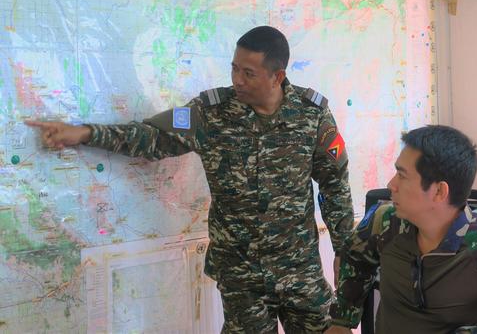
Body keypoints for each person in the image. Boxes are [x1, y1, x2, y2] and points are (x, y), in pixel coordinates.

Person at [26, 26, 354, 333]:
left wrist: (344, 250)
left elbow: (334, 186)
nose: (237, 80)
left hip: (301, 273)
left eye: (248, 73)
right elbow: (151, 137)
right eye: (234, 68)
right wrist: (83, 133)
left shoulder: (313, 116)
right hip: (241, 278)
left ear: (277, 76)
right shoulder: (209, 113)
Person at [327, 125, 477, 333]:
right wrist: (342, 321)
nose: (391, 185)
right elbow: (355, 257)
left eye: (402, 176)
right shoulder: (384, 222)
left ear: (439, 192)